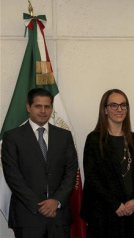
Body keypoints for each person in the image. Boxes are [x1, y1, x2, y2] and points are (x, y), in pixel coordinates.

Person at [1, 88, 78, 238]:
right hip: (28, 216)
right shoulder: (12, 137)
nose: (43, 110)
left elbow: (71, 171)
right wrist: (39, 205)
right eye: (38, 106)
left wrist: (56, 200)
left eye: (47, 106)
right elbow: (13, 176)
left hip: (59, 216)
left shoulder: (64, 136)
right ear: (28, 107)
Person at [80, 89, 134, 237]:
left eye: (123, 105)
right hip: (104, 212)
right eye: (114, 105)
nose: (119, 109)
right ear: (105, 109)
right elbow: (92, 178)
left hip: (132, 210)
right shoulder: (94, 139)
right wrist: (115, 204)